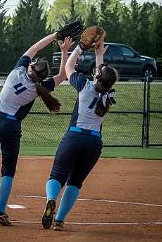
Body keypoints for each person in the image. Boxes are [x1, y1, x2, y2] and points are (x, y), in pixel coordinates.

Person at [0, 33, 73, 226]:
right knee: (8, 171)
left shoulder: (17, 71)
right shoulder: (38, 88)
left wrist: (55, 35)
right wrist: (64, 52)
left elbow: (35, 47)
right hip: (10, 126)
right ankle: (0, 212)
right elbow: (63, 75)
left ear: (31, 66)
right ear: (42, 77)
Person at [42, 34, 118, 231]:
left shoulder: (85, 86)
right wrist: (99, 55)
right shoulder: (109, 94)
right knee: (75, 182)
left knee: (57, 176)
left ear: (96, 77)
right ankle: (59, 220)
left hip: (74, 137)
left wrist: (79, 49)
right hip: (93, 144)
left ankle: (51, 199)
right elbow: (102, 76)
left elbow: (68, 68)